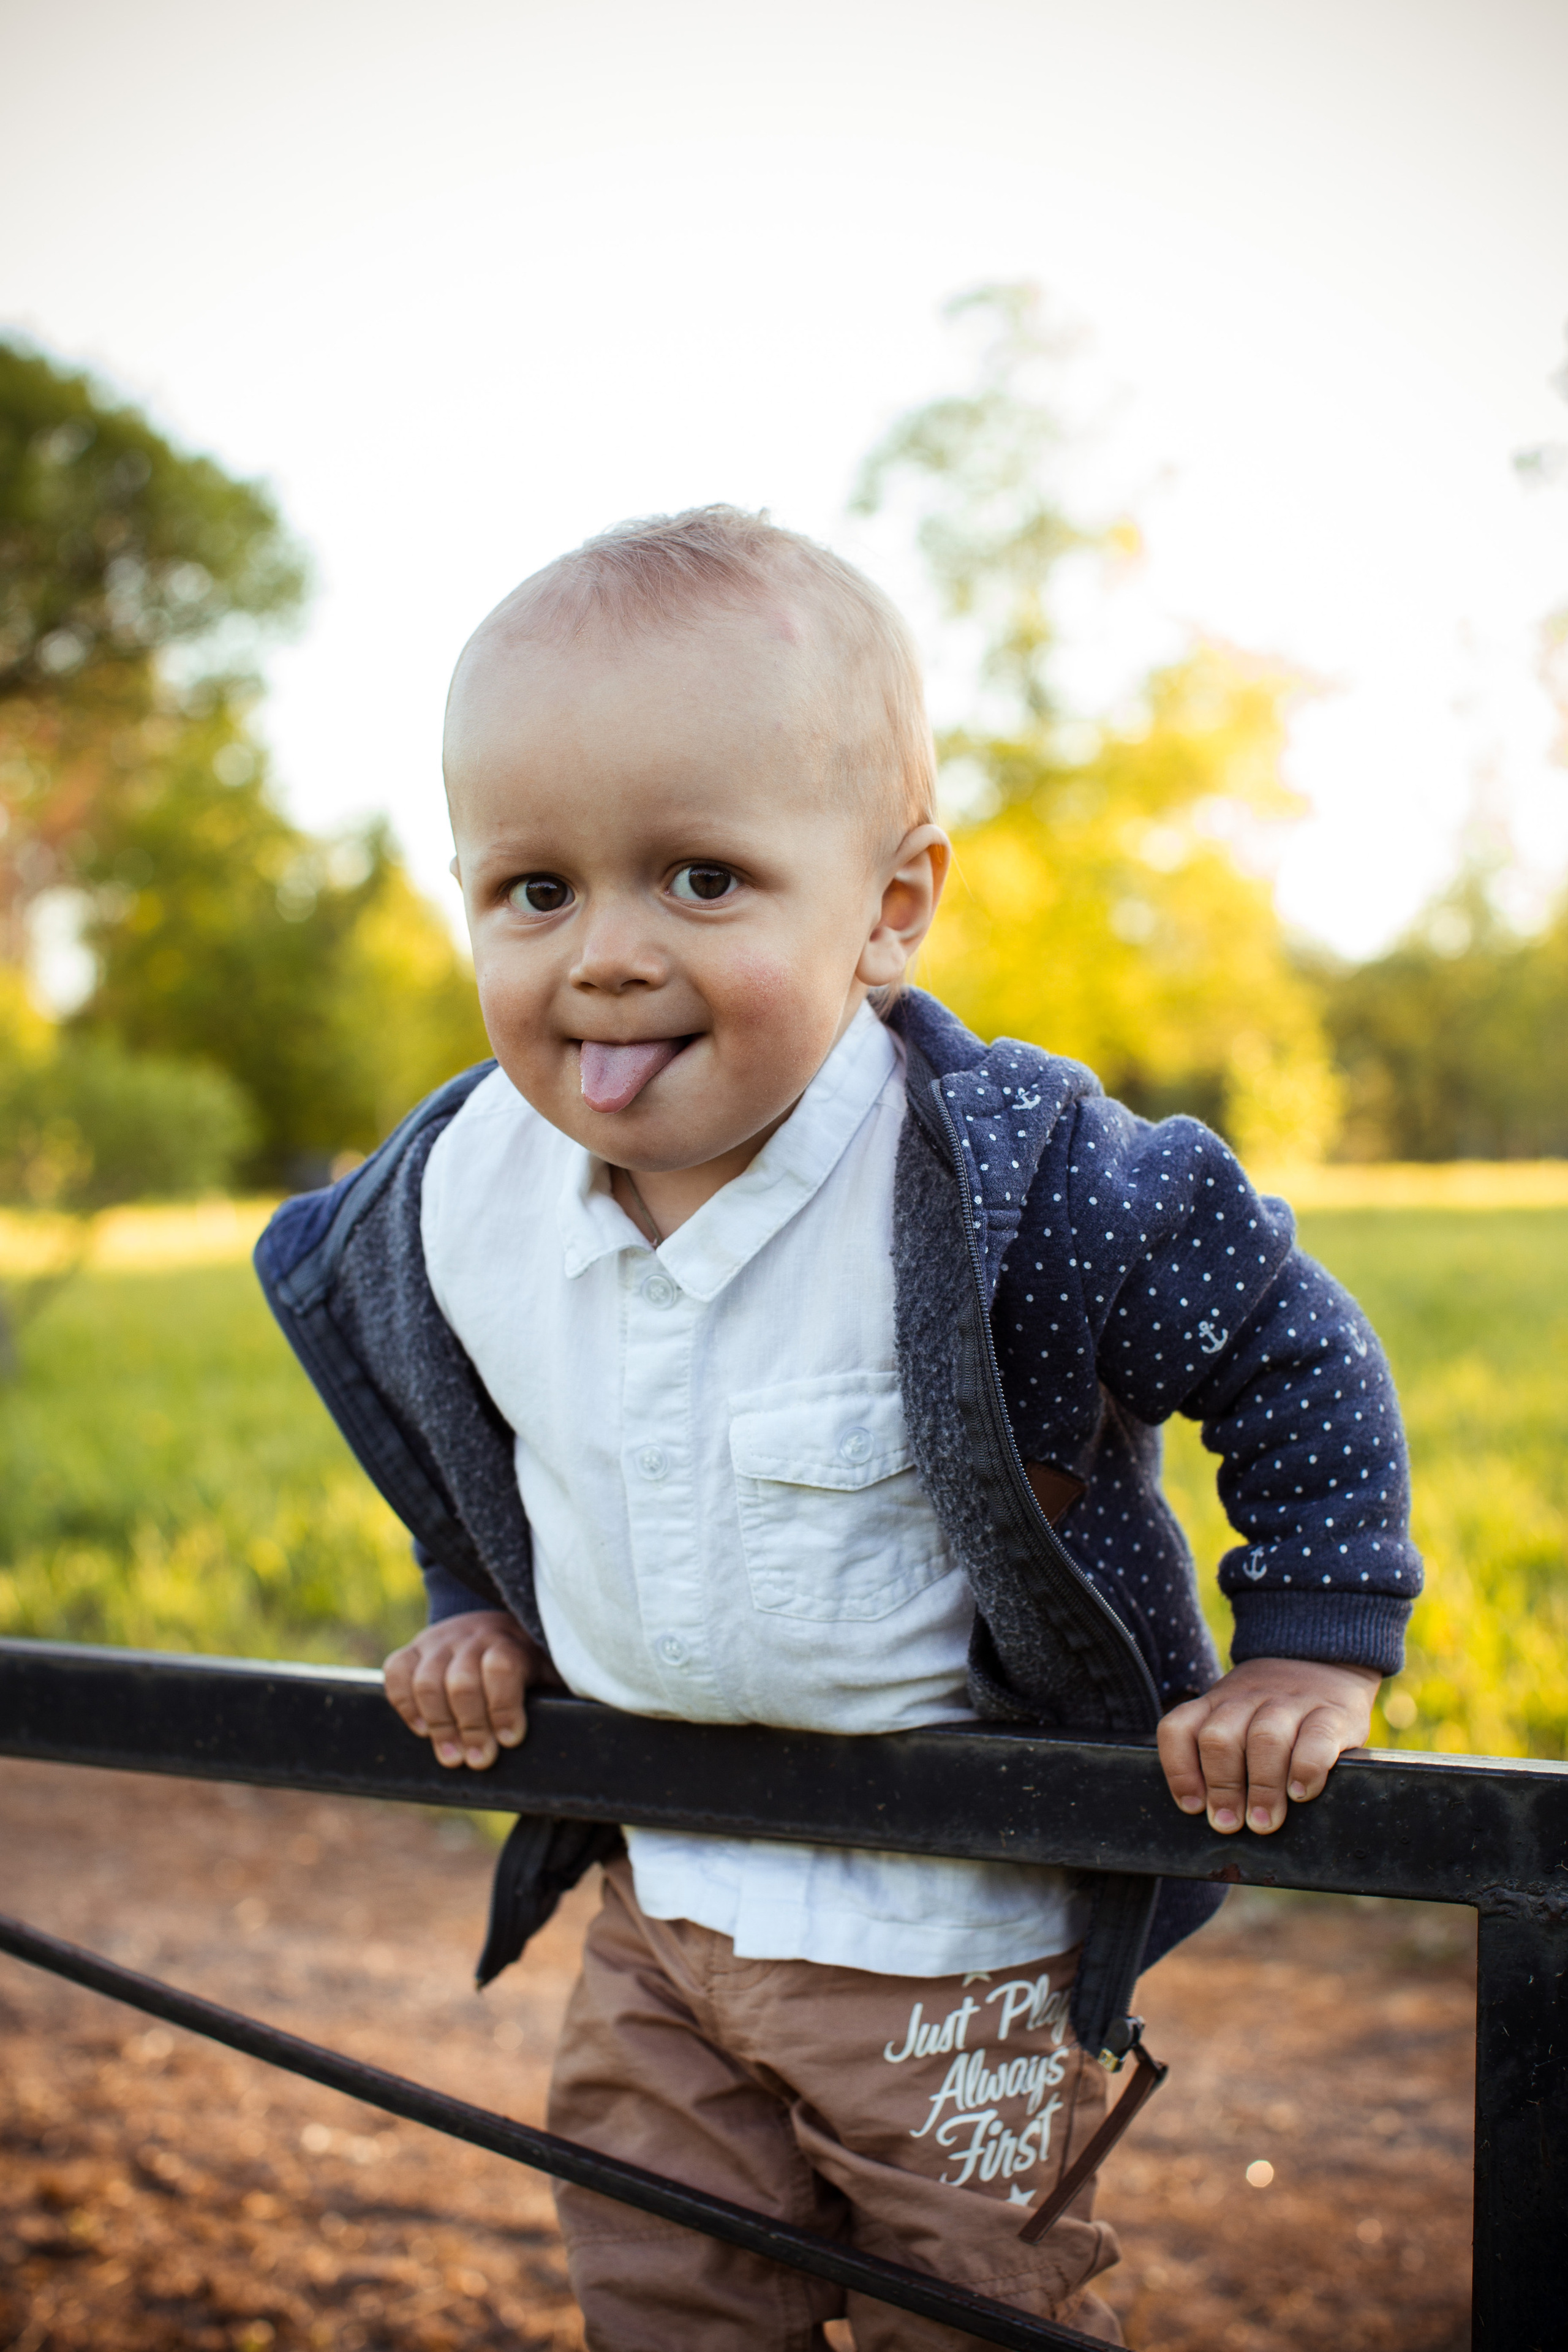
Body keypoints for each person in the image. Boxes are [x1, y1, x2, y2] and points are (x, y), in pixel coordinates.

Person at [256, 506, 1420, 2350]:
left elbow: (1284, 1343)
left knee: (978, 2307)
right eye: (534, 891)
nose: (606, 958)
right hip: (662, 1908)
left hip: (952, 1939)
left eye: (701, 880)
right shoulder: (459, 1199)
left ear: (890, 907)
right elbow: (469, 1408)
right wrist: (473, 1595)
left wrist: (1315, 1638)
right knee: (656, 2288)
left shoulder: (1010, 1186)